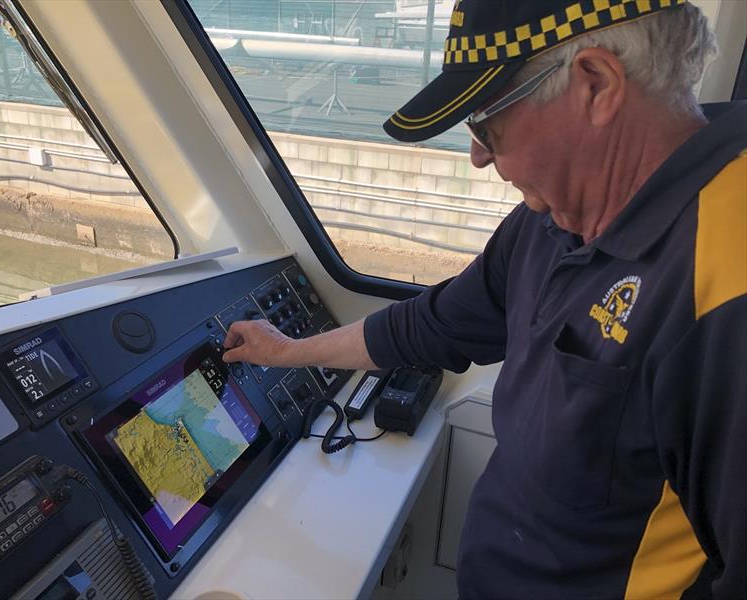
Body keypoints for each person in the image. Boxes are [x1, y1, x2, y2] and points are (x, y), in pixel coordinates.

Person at [223, 0, 747, 597]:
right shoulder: (549, 222)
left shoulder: (727, 277)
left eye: (486, 121)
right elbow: (431, 325)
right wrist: (288, 351)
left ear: (596, 85)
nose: (478, 153)